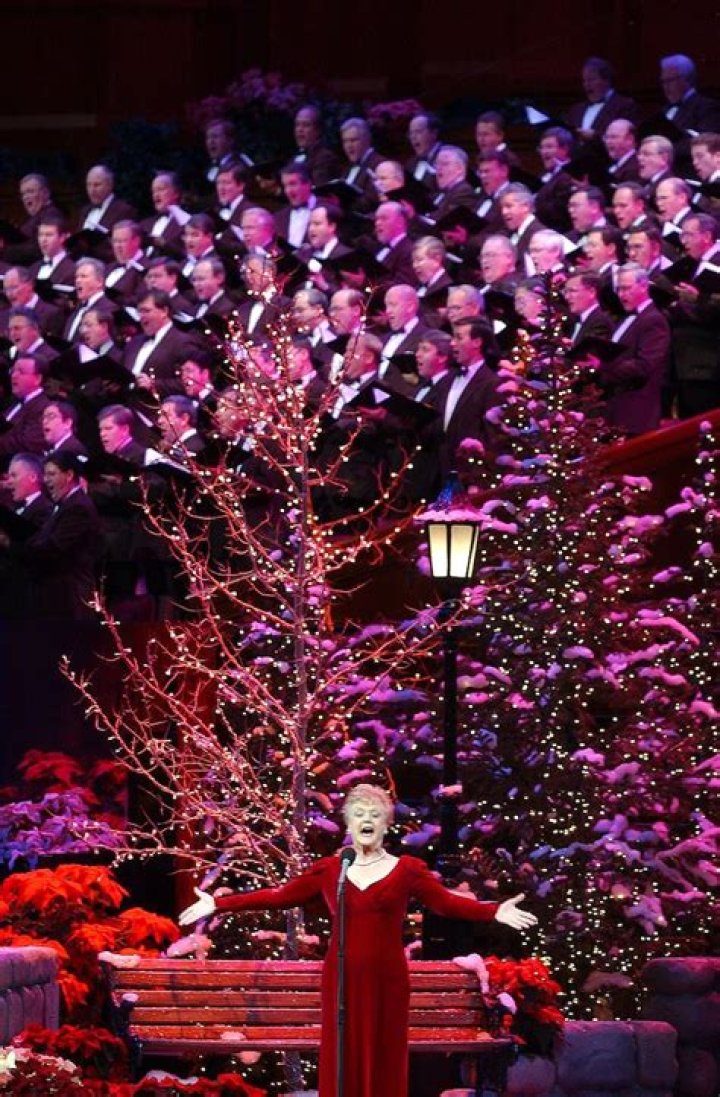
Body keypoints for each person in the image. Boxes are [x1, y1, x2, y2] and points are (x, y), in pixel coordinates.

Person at [179, 783, 537, 1097]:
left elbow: (445, 902)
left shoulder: (407, 870)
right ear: (350, 822)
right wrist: (219, 903)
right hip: (341, 980)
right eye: (359, 813)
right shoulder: (333, 870)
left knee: (384, 1054)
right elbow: (279, 895)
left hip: (387, 980)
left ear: (385, 823)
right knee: (343, 1055)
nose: (367, 820)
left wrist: (493, 911)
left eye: (375, 814)